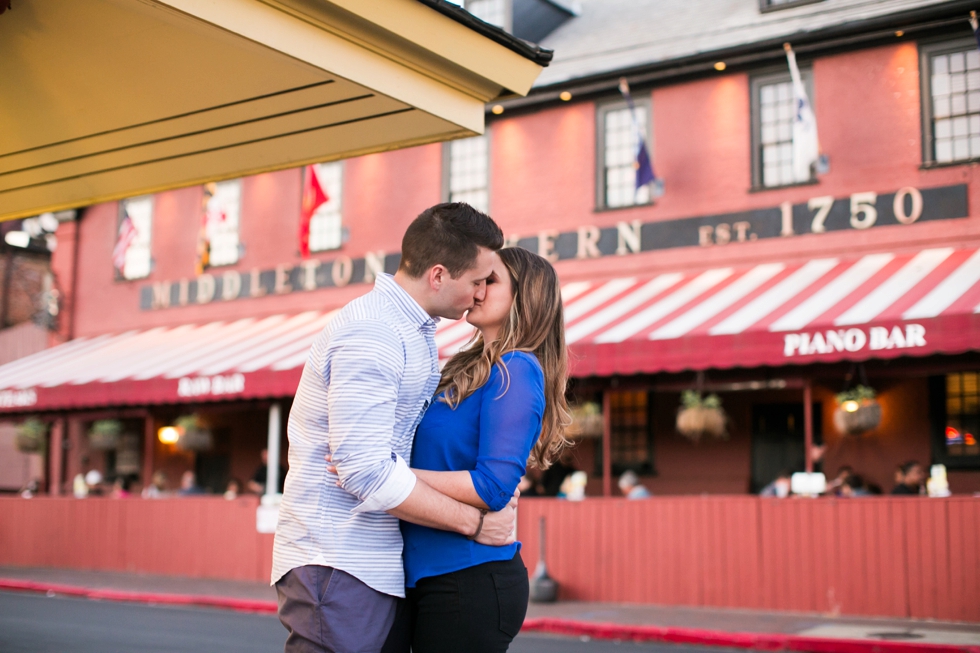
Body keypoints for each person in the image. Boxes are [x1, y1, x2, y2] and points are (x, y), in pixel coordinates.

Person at [273, 203, 517, 653]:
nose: (481, 292)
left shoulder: (411, 330)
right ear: (439, 275)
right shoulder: (374, 332)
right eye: (477, 280)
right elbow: (364, 470)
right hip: (338, 559)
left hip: (367, 562)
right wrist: (473, 522)